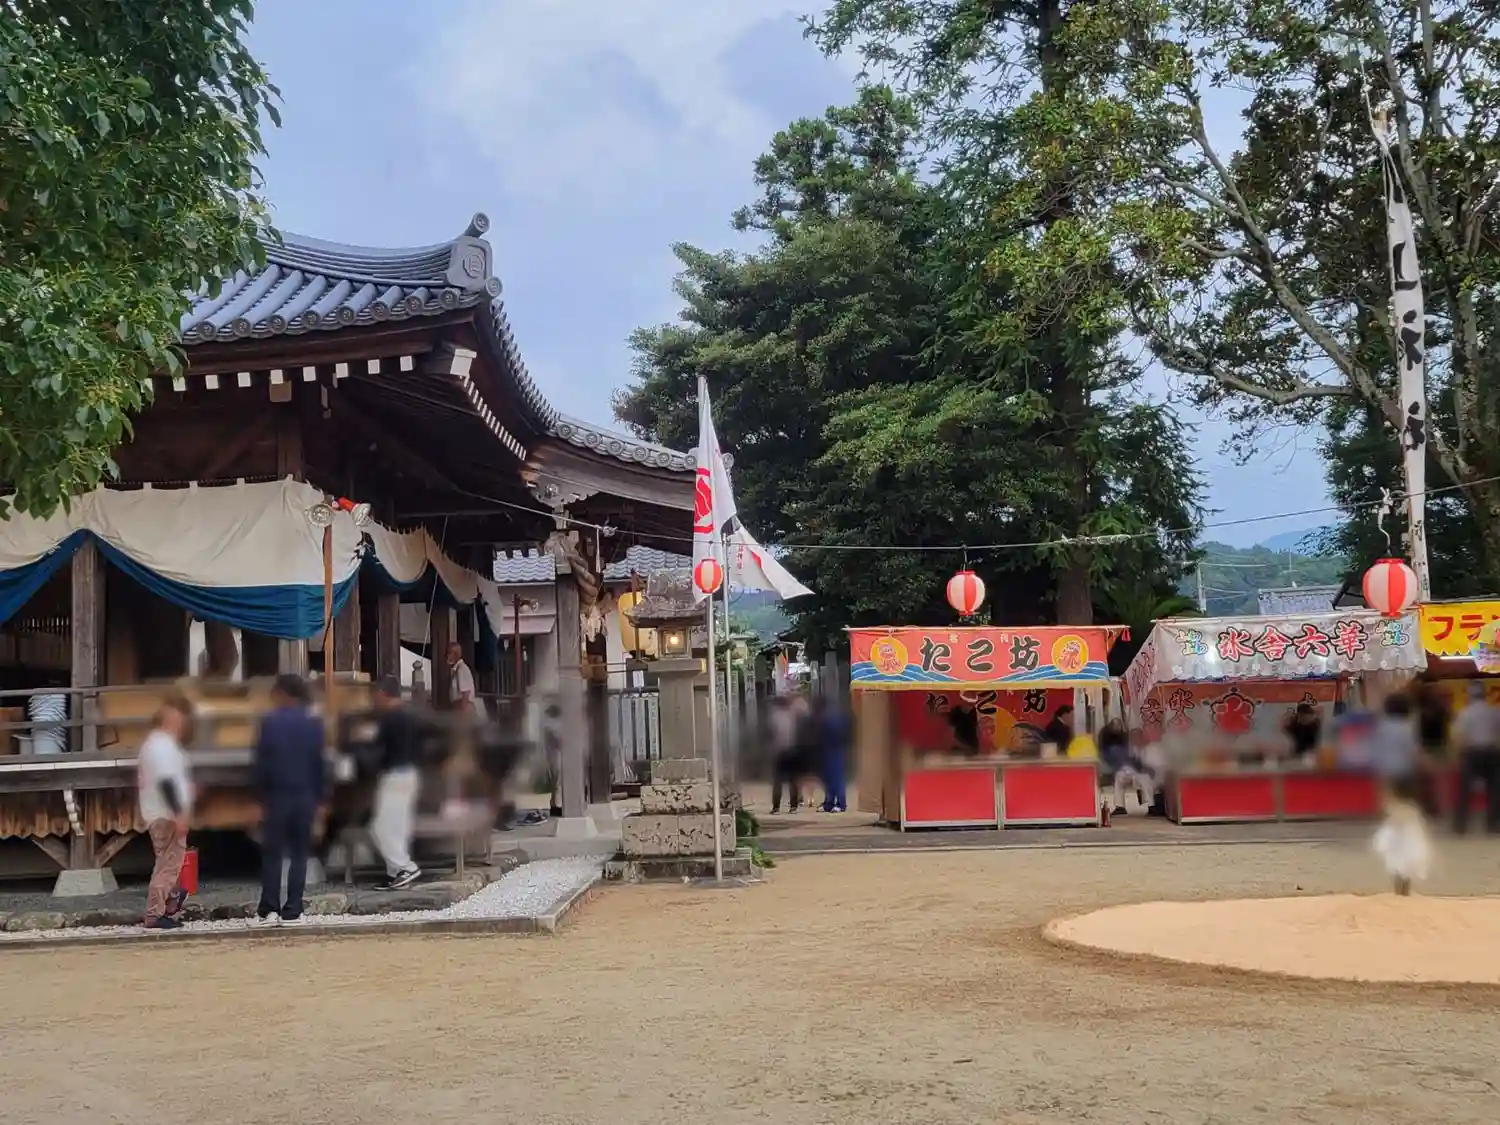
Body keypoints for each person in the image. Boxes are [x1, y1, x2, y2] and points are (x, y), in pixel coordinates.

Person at [252, 674, 327, 925]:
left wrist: (259, 796)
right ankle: (293, 909)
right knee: (299, 854)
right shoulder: (313, 724)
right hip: (305, 796)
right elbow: (319, 765)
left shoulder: (270, 723)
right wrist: (321, 800)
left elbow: (262, 764)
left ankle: (269, 909)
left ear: (282, 693)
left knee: (273, 854)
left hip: (277, 796)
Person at [137, 694, 194, 930]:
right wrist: (178, 813)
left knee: (169, 863)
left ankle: (170, 906)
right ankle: (155, 913)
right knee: (168, 866)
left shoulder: (154, 745)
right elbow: (166, 781)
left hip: (157, 812)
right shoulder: (162, 746)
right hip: (166, 813)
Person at [369, 676, 423, 890]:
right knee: (399, 828)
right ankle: (396, 874)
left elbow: (379, 750)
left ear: (383, 694)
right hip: (411, 773)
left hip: (394, 775)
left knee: (380, 827)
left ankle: (405, 867)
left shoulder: (390, 719)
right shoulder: (409, 716)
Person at [1451, 681, 1500, 835]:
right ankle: (1492, 825)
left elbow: (1459, 737)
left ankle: (1461, 826)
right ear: (1484, 694)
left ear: (1470, 695)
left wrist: (1458, 755)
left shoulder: (1465, 713)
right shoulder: (1495, 711)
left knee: (1465, 790)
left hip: (1471, 753)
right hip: (1492, 753)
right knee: (1494, 789)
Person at [819, 696, 851, 813]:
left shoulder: (833, 720)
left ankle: (839, 804)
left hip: (835, 751)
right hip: (831, 752)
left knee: (836, 779)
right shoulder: (830, 719)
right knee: (831, 779)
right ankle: (830, 803)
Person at [447, 641, 486, 719]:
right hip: (458, 707)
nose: (446, 656)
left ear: (455, 655)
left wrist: (462, 712)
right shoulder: (456, 670)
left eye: (449, 653)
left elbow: (466, 693)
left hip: (464, 708)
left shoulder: (462, 669)